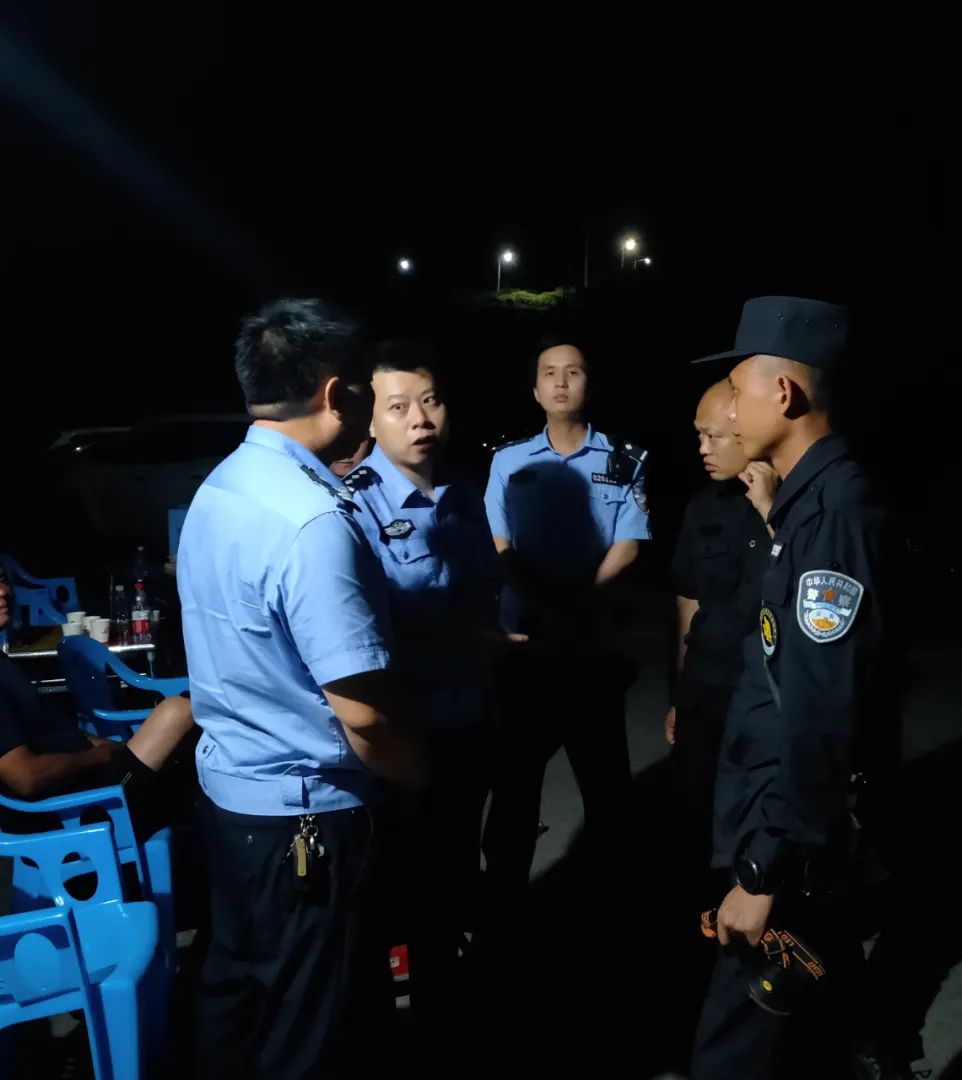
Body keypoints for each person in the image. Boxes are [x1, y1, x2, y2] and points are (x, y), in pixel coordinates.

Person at [178, 298, 427, 1079]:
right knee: (311, 1035)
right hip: (306, 822)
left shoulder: (221, 487)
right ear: (334, 393)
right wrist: (423, 775)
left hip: (230, 805)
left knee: (239, 1006)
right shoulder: (311, 521)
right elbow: (365, 717)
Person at [690, 297, 906, 1079]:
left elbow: (821, 711)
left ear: (782, 394)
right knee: (807, 1038)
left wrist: (764, 873)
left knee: (731, 1056)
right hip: (786, 829)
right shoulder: (805, 505)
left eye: (738, 387)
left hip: (790, 846)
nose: (730, 406)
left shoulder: (836, 513)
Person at [343, 339, 500, 1062]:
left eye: (430, 401)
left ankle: (444, 1035)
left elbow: (480, 597)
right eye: (399, 406)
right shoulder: (353, 506)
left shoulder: (466, 495)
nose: (420, 419)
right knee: (386, 903)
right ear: (370, 421)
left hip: (468, 722)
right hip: (400, 742)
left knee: (450, 890)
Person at [481, 335, 650, 911]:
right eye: (549, 372)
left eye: (573, 371)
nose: (560, 381)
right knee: (514, 792)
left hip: (592, 652)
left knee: (607, 791)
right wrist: (546, 605)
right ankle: (504, 911)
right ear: (534, 390)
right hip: (525, 652)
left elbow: (629, 543)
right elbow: (498, 542)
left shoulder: (625, 459)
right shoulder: (509, 461)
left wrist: (579, 606)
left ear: (588, 384)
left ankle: (608, 909)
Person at [667, 379, 775, 896]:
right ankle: (699, 921)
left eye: (712, 436)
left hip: (763, 698)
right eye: (698, 436)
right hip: (706, 692)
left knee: (758, 828)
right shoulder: (702, 506)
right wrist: (679, 693)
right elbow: (688, 602)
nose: (702, 449)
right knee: (694, 820)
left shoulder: (790, 504)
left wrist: (771, 511)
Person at [0, 564, 194, 827]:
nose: (4, 591)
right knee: (177, 714)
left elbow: (48, 732)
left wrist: (105, 747)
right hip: (71, 812)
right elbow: (24, 777)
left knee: (184, 754)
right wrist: (97, 757)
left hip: (88, 784)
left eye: (2, 580)